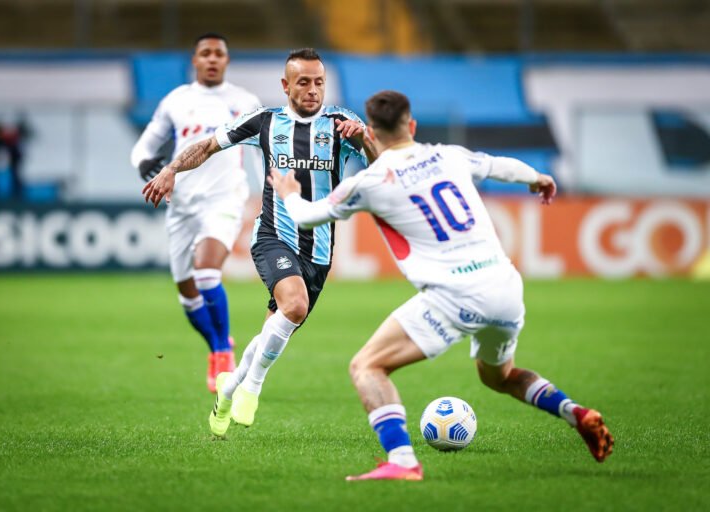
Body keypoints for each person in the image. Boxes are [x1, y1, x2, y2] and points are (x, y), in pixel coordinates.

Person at [268, 90, 614, 481]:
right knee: (498, 377)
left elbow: (310, 217)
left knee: (367, 366)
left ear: (371, 134)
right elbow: (501, 167)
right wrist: (538, 179)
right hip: (504, 286)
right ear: (411, 126)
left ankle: (401, 462)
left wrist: (290, 194)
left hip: (454, 295)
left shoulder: (369, 182)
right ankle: (576, 413)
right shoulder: (449, 154)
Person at [143, 48, 375, 435]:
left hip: (318, 250)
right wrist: (171, 169)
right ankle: (252, 387)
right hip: (273, 236)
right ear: (286, 86)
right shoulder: (265, 122)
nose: (313, 89)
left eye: (319, 82)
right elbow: (207, 145)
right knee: (295, 305)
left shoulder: (343, 122)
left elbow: (384, 166)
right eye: (303, 82)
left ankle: (229, 386)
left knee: (276, 326)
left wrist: (365, 139)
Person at [131, 33, 262, 393]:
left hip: (224, 199)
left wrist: (270, 189)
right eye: (205, 53)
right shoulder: (177, 101)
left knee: (206, 273)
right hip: (182, 205)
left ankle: (222, 353)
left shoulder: (244, 101)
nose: (212, 59)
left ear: (227, 60)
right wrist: (148, 166)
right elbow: (145, 146)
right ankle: (217, 344)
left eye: (219, 53)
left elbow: (261, 150)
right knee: (187, 294)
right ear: (195, 60)